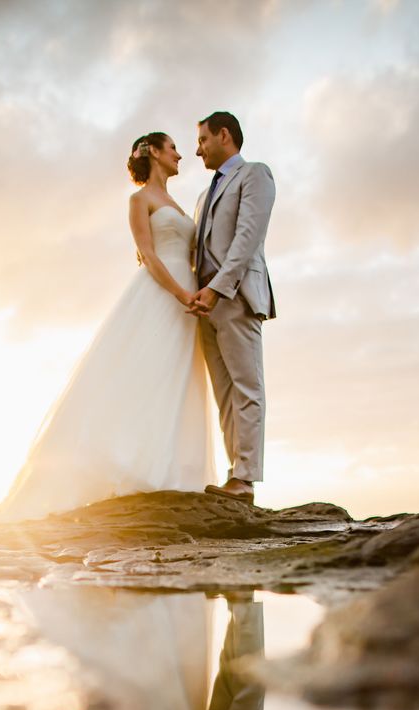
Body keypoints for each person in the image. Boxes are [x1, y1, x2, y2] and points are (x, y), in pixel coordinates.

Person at [0, 132, 216, 524]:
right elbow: (147, 255)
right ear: (155, 154)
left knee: (176, 378)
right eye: (173, 147)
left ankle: (171, 470)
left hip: (188, 299)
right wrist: (180, 293)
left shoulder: (179, 203)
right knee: (144, 372)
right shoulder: (139, 200)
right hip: (162, 294)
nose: (181, 154)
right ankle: (130, 467)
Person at [189, 111, 276, 505]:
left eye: (203, 140)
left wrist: (219, 289)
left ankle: (245, 478)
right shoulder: (202, 196)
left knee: (247, 387)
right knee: (224, 393)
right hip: (204, 304)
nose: (197, 150)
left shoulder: (255, 175)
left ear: (224, 135)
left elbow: (247, 237)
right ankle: (234, 474)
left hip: (235, 297)